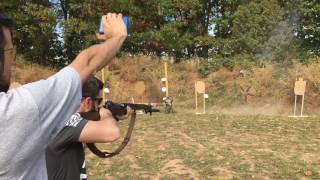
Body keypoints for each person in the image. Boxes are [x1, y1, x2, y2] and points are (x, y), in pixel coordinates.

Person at [0, 13, 127, 179]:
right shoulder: (19, 109)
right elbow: (87, 63)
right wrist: (118, 36)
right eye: (11, 52)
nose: (13, 62)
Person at [46, 76, 122, 180]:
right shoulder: (69, 122)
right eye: (99, 101)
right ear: (87, 102)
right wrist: (107, 114)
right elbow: (113, 133)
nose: (99, 106)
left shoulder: (60, 117)